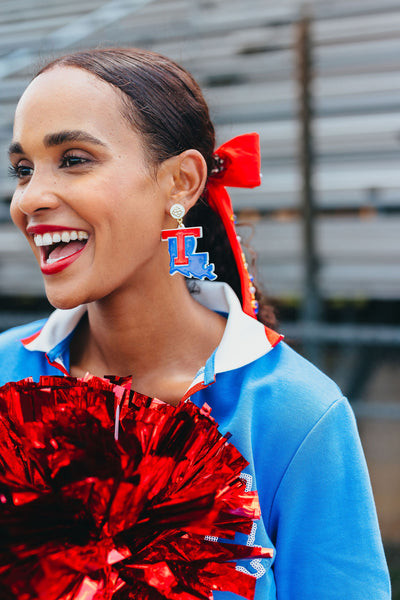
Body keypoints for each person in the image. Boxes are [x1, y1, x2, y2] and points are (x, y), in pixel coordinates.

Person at [0, 48, 391, 599]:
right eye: (23, 169)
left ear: (181, 183)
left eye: (74, 159)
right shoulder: (4, 372)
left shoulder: (296, 414)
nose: (31, 198)